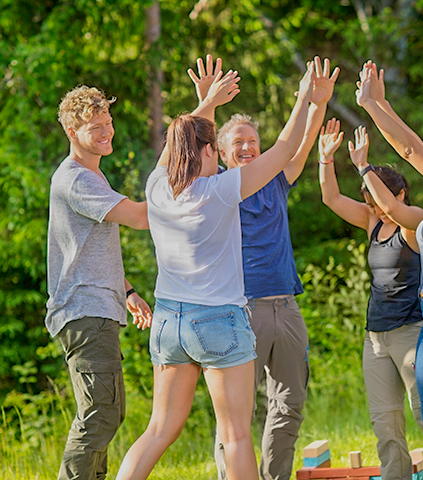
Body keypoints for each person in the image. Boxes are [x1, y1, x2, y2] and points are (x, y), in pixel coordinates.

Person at [115, 61, 315, 480]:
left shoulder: (156, 187)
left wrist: (206, 102)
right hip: (218, 320)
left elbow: (180, 143)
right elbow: (284, 148)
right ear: (209, 152)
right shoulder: (221, 191)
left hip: (169, 321)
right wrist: (303, 96)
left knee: (158, 429)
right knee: (237, 435)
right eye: (211, 149)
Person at [188, 54, 339, 480]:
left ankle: (275, 477)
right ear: (219, 152)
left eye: (252, 140)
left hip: (286, 307)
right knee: (237, 414)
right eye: (237, 142)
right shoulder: (217, 189)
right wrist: (207, 104)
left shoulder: (275, 179)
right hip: (240, 311)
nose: (248, 147)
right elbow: (189, 154)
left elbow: (301, 142)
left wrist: (319, 101)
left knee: (289, 403)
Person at [46, 85, 153, 480]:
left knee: (109, 412)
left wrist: (126, 291)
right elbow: (140, 217)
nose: (107, 131)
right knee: (100, 413)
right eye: (96, 126)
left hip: (97, 307)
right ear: (73, 132)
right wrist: (184, 188)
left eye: (108, 121)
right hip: (83, 312)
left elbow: (84, 251)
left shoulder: (93, 175)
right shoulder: (77, 179)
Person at [318, 118, 423, 480]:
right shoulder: (372, 222)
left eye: (377, 201)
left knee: (421, 411)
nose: (374, 209)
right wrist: (326, 161)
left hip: (412, 334)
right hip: (375, 338)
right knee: (385, 424)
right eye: (370, 203)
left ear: (399, 195)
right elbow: (330, 198)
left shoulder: (413, 223)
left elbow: (392, 211)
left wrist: (364, 166)